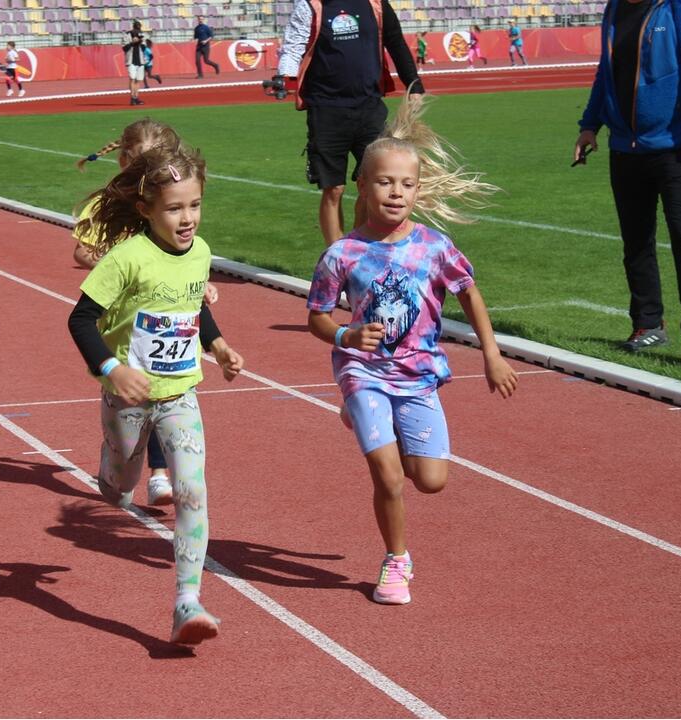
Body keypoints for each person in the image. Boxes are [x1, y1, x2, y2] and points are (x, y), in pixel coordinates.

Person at [306, 96, 517, 605]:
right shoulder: (342, 254)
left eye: (406, 183)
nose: (396, 192)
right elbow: (317, 316)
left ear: (418, 189)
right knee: (388, 474)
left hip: (418, 375)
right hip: (363, 371)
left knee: (431, 480)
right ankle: (395, 560)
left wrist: (491, 354)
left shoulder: (434, 246)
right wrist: (345, 336)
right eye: (384, 182)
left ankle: (369, 419)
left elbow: (469, 293)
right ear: (362, 185)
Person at [66, 141, 244, 644]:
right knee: (119, 490)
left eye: (195, 205)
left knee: (192, 491)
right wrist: (111, 368)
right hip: (126, 397)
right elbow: (80, 319)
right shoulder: (127, 259)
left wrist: (218, 345)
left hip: (179, 395)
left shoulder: (201, 251)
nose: (188, 218)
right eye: (174, 209)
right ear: (146, 210)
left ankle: (187, 601)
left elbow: (194, 304)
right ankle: (111, 465)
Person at [73, 120, 220, 506]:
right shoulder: (115, 219)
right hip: (126, 328)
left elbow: (182, 266)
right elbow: (82, 256)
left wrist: (192, 288)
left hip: (170, 345)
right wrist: (127, 275)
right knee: (126, 459)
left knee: (164, 397)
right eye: (144, 160)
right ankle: (121, 467)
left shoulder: (185, 227)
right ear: (127, 161)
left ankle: (159, 474)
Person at [574, 0, 681, 362]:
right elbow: (606, 72)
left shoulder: (680, 7)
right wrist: (590, 125)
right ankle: (648, 324)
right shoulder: (614, 9)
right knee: (636, 241)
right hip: (625, 149)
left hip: (678, 147)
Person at [277, 0, 425, 245]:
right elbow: (294, 46)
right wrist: (284, 75)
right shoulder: (311, 5)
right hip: (326, 110)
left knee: (371, 186)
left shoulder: (376, 3)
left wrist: (414, 84)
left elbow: (395, 41)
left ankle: (358, 250)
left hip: (369, 107)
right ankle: (335, 255)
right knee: (333, 189)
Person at [122, 22, 146, 106]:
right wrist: (132, 42)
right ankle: (132, 98)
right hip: (131, 60)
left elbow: (143, 48)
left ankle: (136, 97)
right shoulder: (127, 35)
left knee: (138, 80)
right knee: (132, 78)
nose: (137, 30)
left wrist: (140, 41)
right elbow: (124, 48)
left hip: (140, 60)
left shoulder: (142, 35)